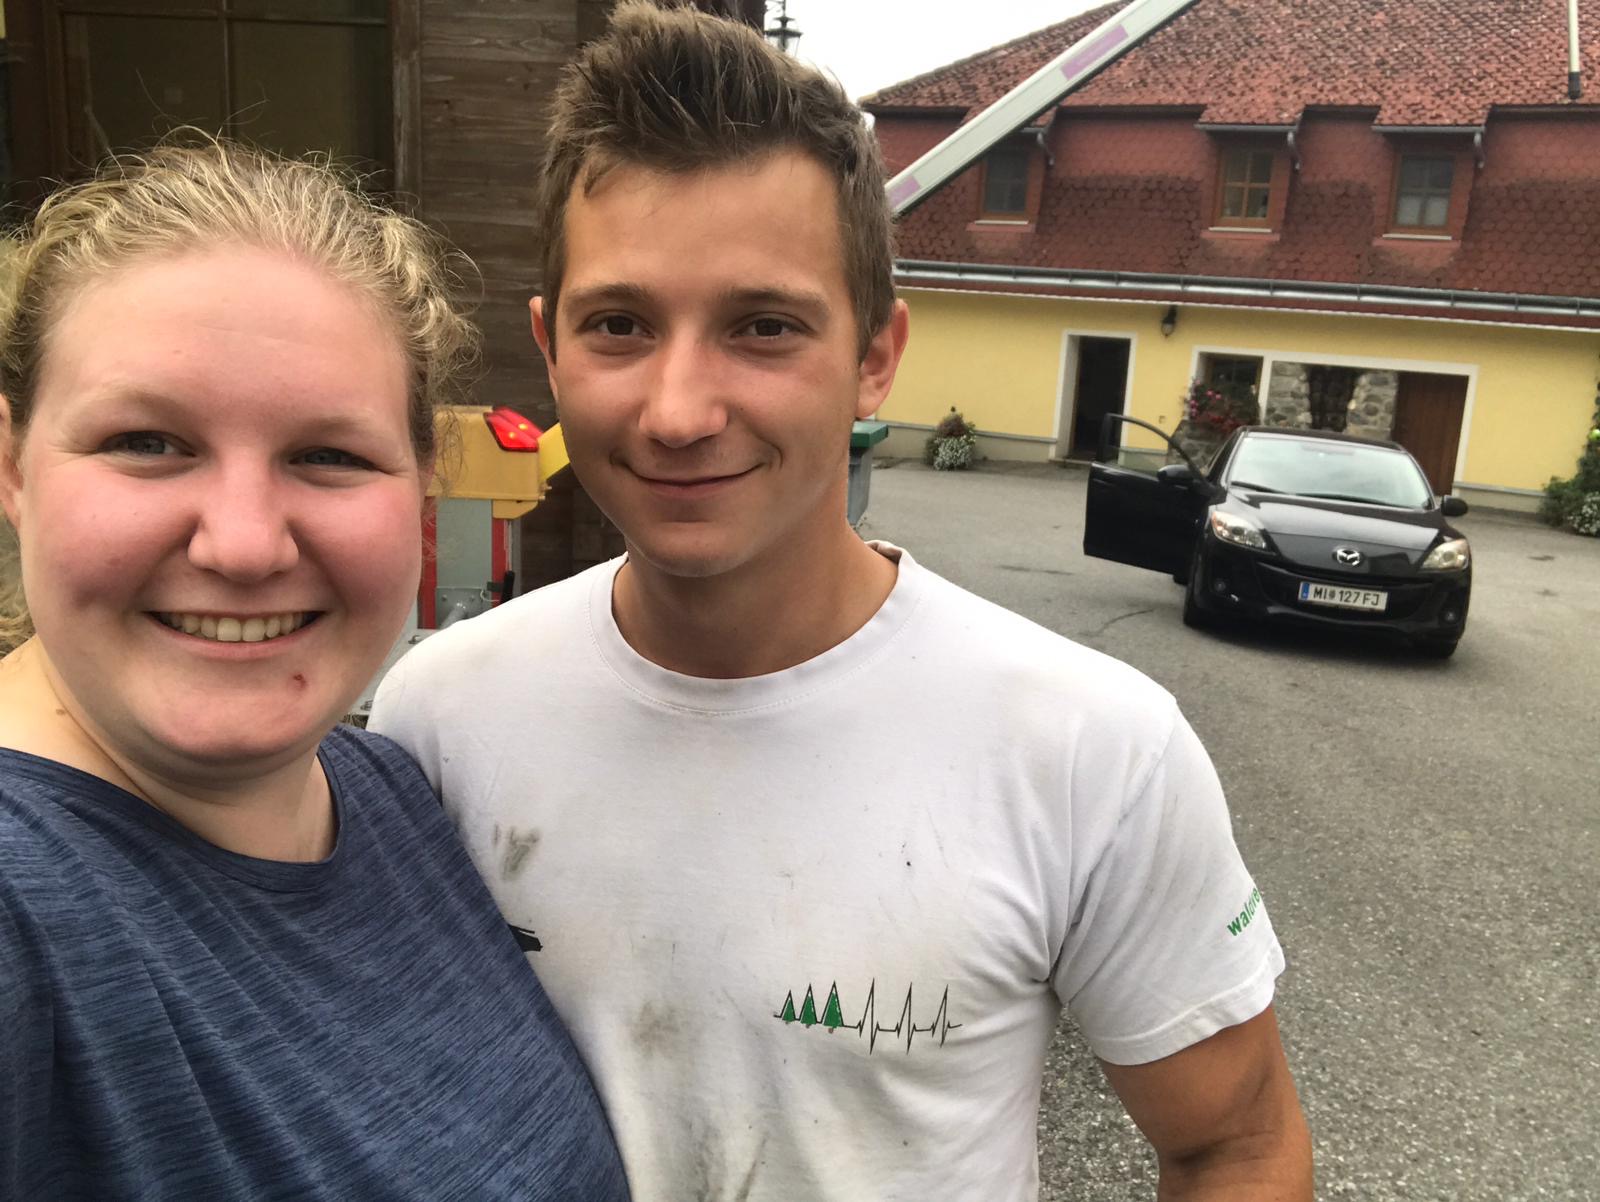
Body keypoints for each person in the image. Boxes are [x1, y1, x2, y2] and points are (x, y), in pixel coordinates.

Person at [370, 4, 1313, 1199]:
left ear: (875, 356)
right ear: (550, 348)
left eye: (762, 326)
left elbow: (1235, 1145)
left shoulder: (1089, 748)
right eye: (620, 325)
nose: (678, 410)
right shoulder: (437, 720)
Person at [0, 138, 629, 1200]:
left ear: (422, 481)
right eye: (147, 441)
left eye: (328, 455)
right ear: (13, 466)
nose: (244, 544)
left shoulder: (389, 793)